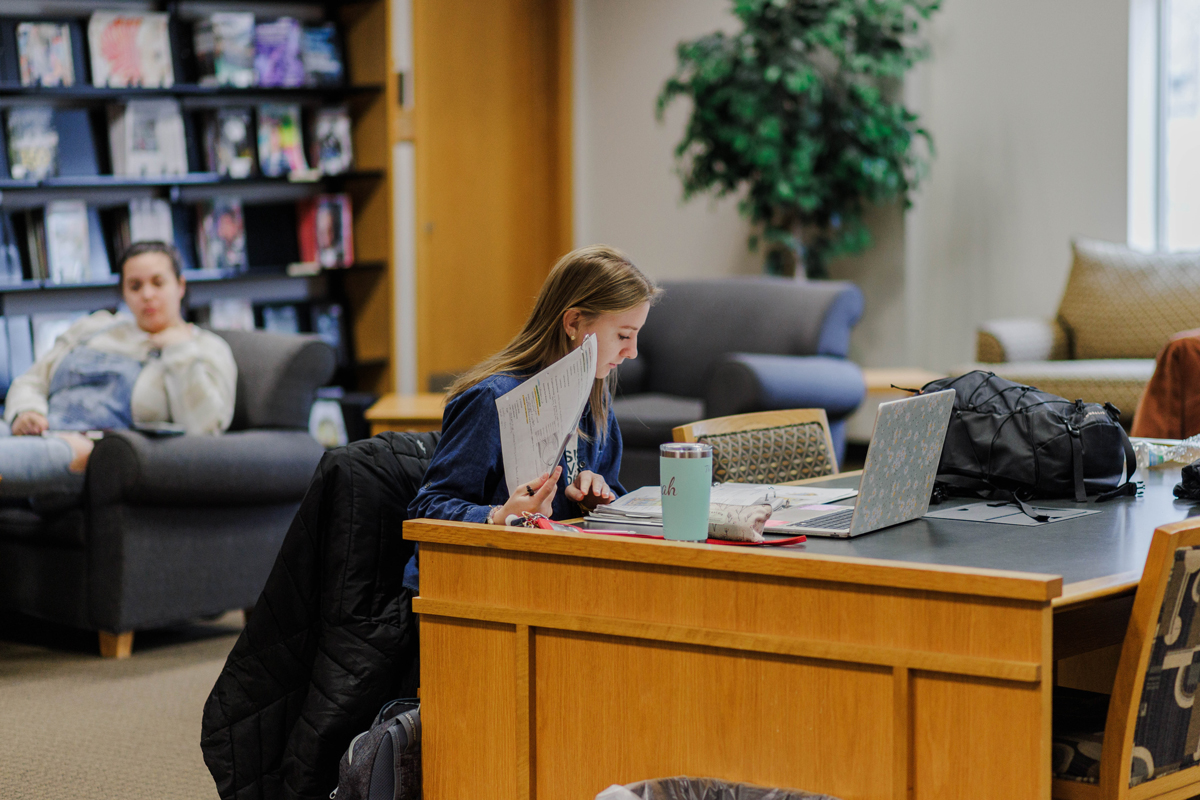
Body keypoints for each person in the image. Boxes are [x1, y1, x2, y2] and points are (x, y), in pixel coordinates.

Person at [409, 245, 660, 530]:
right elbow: (428, 507)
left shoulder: (595, 402)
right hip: (485, 569)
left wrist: (597, 501)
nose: (633, 351)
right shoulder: (492, 399)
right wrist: (500, 515)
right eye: (624, 335)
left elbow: (599, 504)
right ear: (573, 322)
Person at [1, 241, 237, 508]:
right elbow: (32, 380)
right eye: (135, 286)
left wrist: (178, 350)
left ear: (180, 286)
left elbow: (206, 428)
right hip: (36, 430)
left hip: (85, 451)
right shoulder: (96, 327)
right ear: (123, 293)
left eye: (158, 283)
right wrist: (26, 412)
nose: (147, 294)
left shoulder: (204, 348)